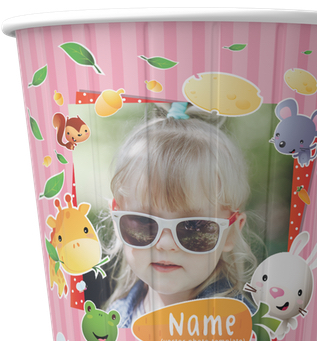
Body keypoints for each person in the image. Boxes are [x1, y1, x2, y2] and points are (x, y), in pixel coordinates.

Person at [102, 102, 258, 327]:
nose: (166, 244)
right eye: (144, 223)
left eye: (193, 227)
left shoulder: (240, 329)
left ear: (231, 232)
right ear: (117, 221)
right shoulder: (110, 322)